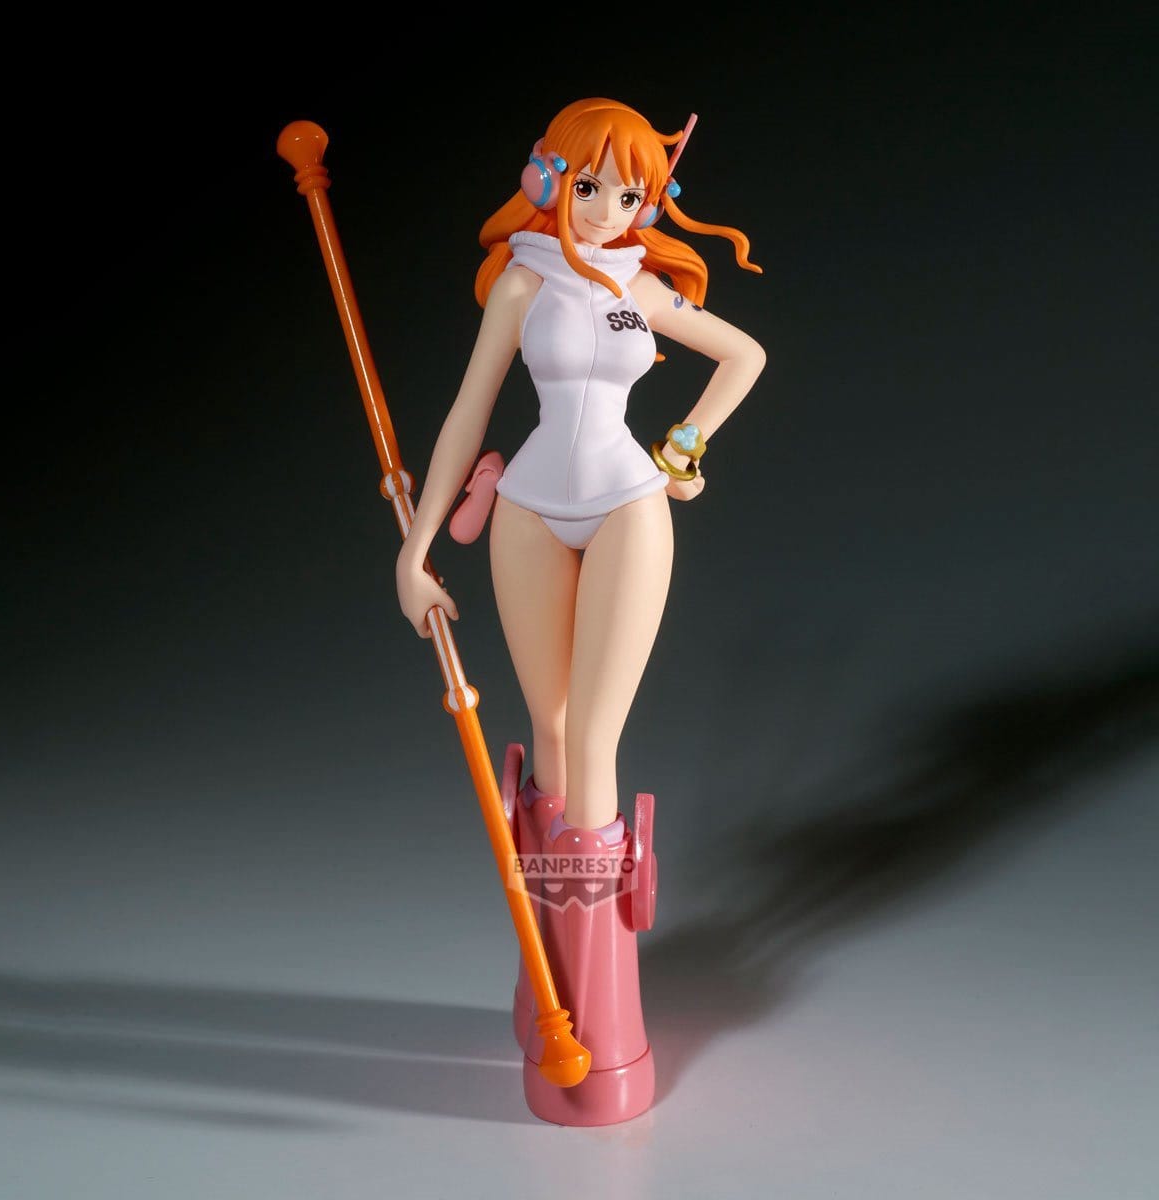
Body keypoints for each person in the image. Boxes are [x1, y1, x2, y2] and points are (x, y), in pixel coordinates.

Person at [395, 97, 767, 1125]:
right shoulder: (524, 280)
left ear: (654, 198)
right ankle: (546, 985)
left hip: (627, 503)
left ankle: (598, 1021)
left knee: (596, 739)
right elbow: (468, 410)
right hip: (525, 508)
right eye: (591, 185)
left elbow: (744, 355)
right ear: (549, 177)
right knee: (551, 736)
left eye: (631, 193)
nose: (607, 210)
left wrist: (683, 449)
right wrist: (414, 552)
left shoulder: (642, 287)